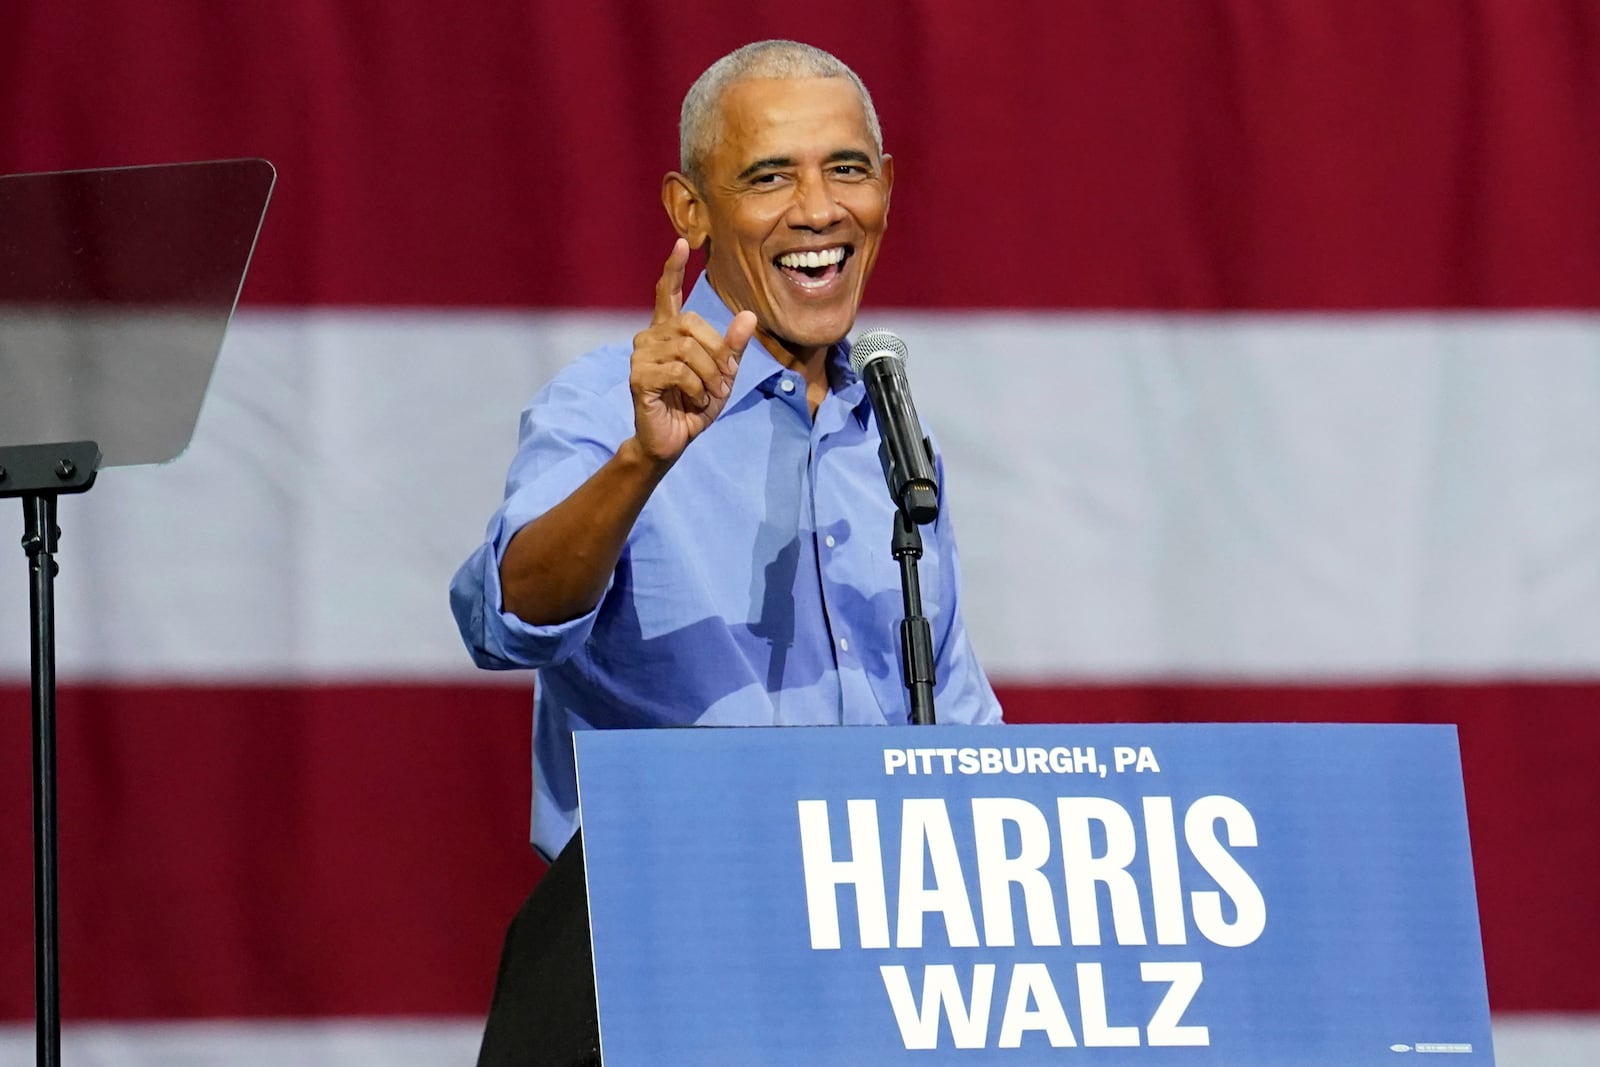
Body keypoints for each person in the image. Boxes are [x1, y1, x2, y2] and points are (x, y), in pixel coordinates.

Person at [452, 40, 1003, 1063]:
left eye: (846, 168)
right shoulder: (606, 402)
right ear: (688, 209)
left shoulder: (890, 424)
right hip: (664, 948)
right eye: (768, 175)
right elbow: (508, 612)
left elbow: (957, 718)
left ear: (885, 187)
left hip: (878, 964)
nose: (818, 208)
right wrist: (640, 462)